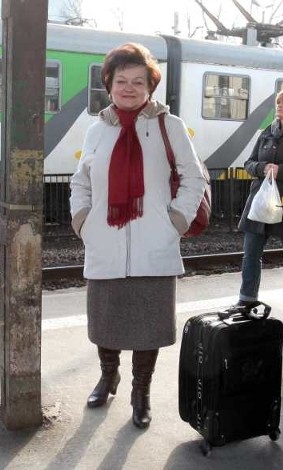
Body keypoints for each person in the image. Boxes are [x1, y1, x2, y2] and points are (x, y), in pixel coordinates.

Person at [69, 43, 207, 429]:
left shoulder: (169, 125)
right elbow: (81, 181)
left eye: (137, 81)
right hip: (105, 242)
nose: (128, 88)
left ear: (150, 87)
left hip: (154, 243)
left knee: (147, 326)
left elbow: (193, 176)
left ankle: (140, 392)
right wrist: (84, 221)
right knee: (105, 322)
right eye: (120, 80)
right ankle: (107, 375)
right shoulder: (97, 130)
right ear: (108, 85)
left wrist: (175, 221)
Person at [232, 86, 283, 321]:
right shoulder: (266, 133)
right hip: (260, 203)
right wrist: (261, 168)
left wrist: (281, 171)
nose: (279, 107)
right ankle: (247, 298)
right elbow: (249, 163)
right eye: (278, 102)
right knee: (251, 254)